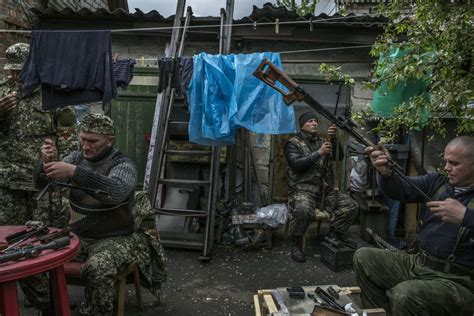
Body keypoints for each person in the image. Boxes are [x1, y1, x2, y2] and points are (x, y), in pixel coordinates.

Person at [353, 136, 474, 315]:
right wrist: (386, 174)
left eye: (455, 163)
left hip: (455, 281)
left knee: (405, 294)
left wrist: (466, 216)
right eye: (446, 161)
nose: (447, 168)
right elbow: (402, 189)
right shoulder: (438, 182)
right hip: (418, 263)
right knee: (364, 258)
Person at [0, 42, 78, 314]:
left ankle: (48, 303)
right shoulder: (2, 92)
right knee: (10, 246)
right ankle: (25, 299)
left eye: (19, 72)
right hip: (8, 183)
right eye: (10, 72)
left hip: (44, 184)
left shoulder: (54, 95)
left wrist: (60, 166)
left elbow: (71, 143)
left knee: (44, 245)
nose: (14, 77)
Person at [34, 113, 137, 316]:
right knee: (35, 255)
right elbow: (44, 186)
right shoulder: (76, 158)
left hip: (114, 238)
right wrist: (45, 163)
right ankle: (50, 306)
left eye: (92, 141)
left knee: (99, 267)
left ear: (110, 141)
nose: (85, 146)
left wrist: (74, 172)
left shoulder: (123, 164)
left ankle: (94, 312)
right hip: (77, 237)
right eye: (82, 139)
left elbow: (115, 192)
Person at [285, 110, 358, 262]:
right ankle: (296, 243)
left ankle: (334, 236)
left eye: (315, 121)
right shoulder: (293, 143)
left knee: (351, 205)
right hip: (302, 189)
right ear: (302, 126)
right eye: (310, 121)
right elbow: (297, 164)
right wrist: (319, 153)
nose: (314, 123)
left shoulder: (322, 141)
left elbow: (339, 157)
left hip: (324, 190)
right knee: (303, 210)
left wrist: (334, 138)